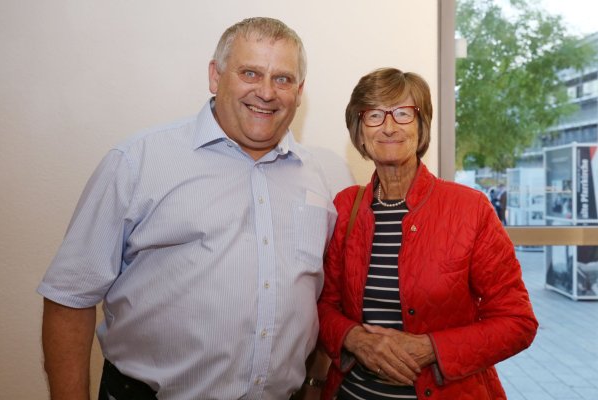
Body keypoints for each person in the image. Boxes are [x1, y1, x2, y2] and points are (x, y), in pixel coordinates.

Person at [38, 17, 351, 400]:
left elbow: (319, 300)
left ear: (299, 91)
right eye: (250, 73)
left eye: (282, 79)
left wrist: (315, 384)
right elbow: (69, 297)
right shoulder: (138, 162)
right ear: (215, 76)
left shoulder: (319, 178)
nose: (266, 92)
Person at [316, 68, 538, 399]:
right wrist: (354, 339)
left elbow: (517, 321)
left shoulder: (470, 208)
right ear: (359, 133)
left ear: (421, 127)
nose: (389, 126)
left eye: (403, 113)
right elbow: (324, 305)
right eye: (374, 115)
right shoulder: (346, 206)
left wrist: (430, 348)